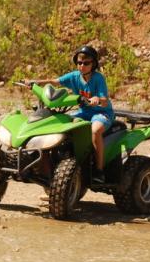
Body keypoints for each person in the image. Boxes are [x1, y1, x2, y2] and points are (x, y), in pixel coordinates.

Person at [25, 45, 114, 183]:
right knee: (60, 124)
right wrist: (35, 82)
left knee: (95, 130)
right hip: (83, 112)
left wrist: (97, 99)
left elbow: (104, 100)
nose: (82, 66)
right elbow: (55, 81)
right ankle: (61, 164)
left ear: (93, 64)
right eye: (79, 63)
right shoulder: (74, 76)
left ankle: (99, 170)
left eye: (86, 63)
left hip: (101, 113)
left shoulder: (98, 78)